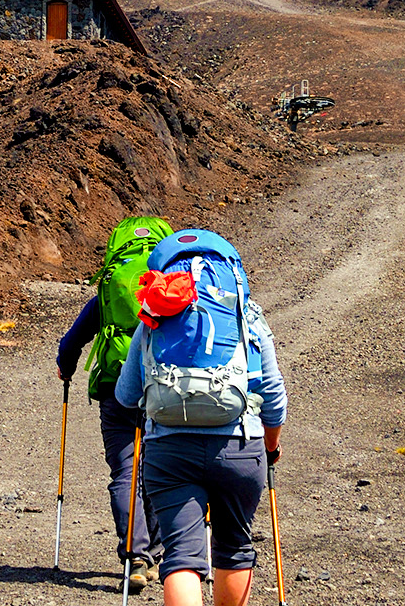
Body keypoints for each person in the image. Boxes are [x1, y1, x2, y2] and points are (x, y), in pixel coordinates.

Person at [116, 229, 287, 606]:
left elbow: (126, 395)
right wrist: (271, 446)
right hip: (240, 446)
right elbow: (273, 394)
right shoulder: (248, 316)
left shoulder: (153, 320)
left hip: (169, 448)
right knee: (235, 548)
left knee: (181, 558)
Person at [55, 217, 172, 588]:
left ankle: (136, 555)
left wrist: (66, 368)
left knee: (126, 472)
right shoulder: (175, 294)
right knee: (157, 472)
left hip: (114, 386)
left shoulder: (105, 295)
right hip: (161, 391)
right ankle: (158, 555)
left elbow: (71, 341)